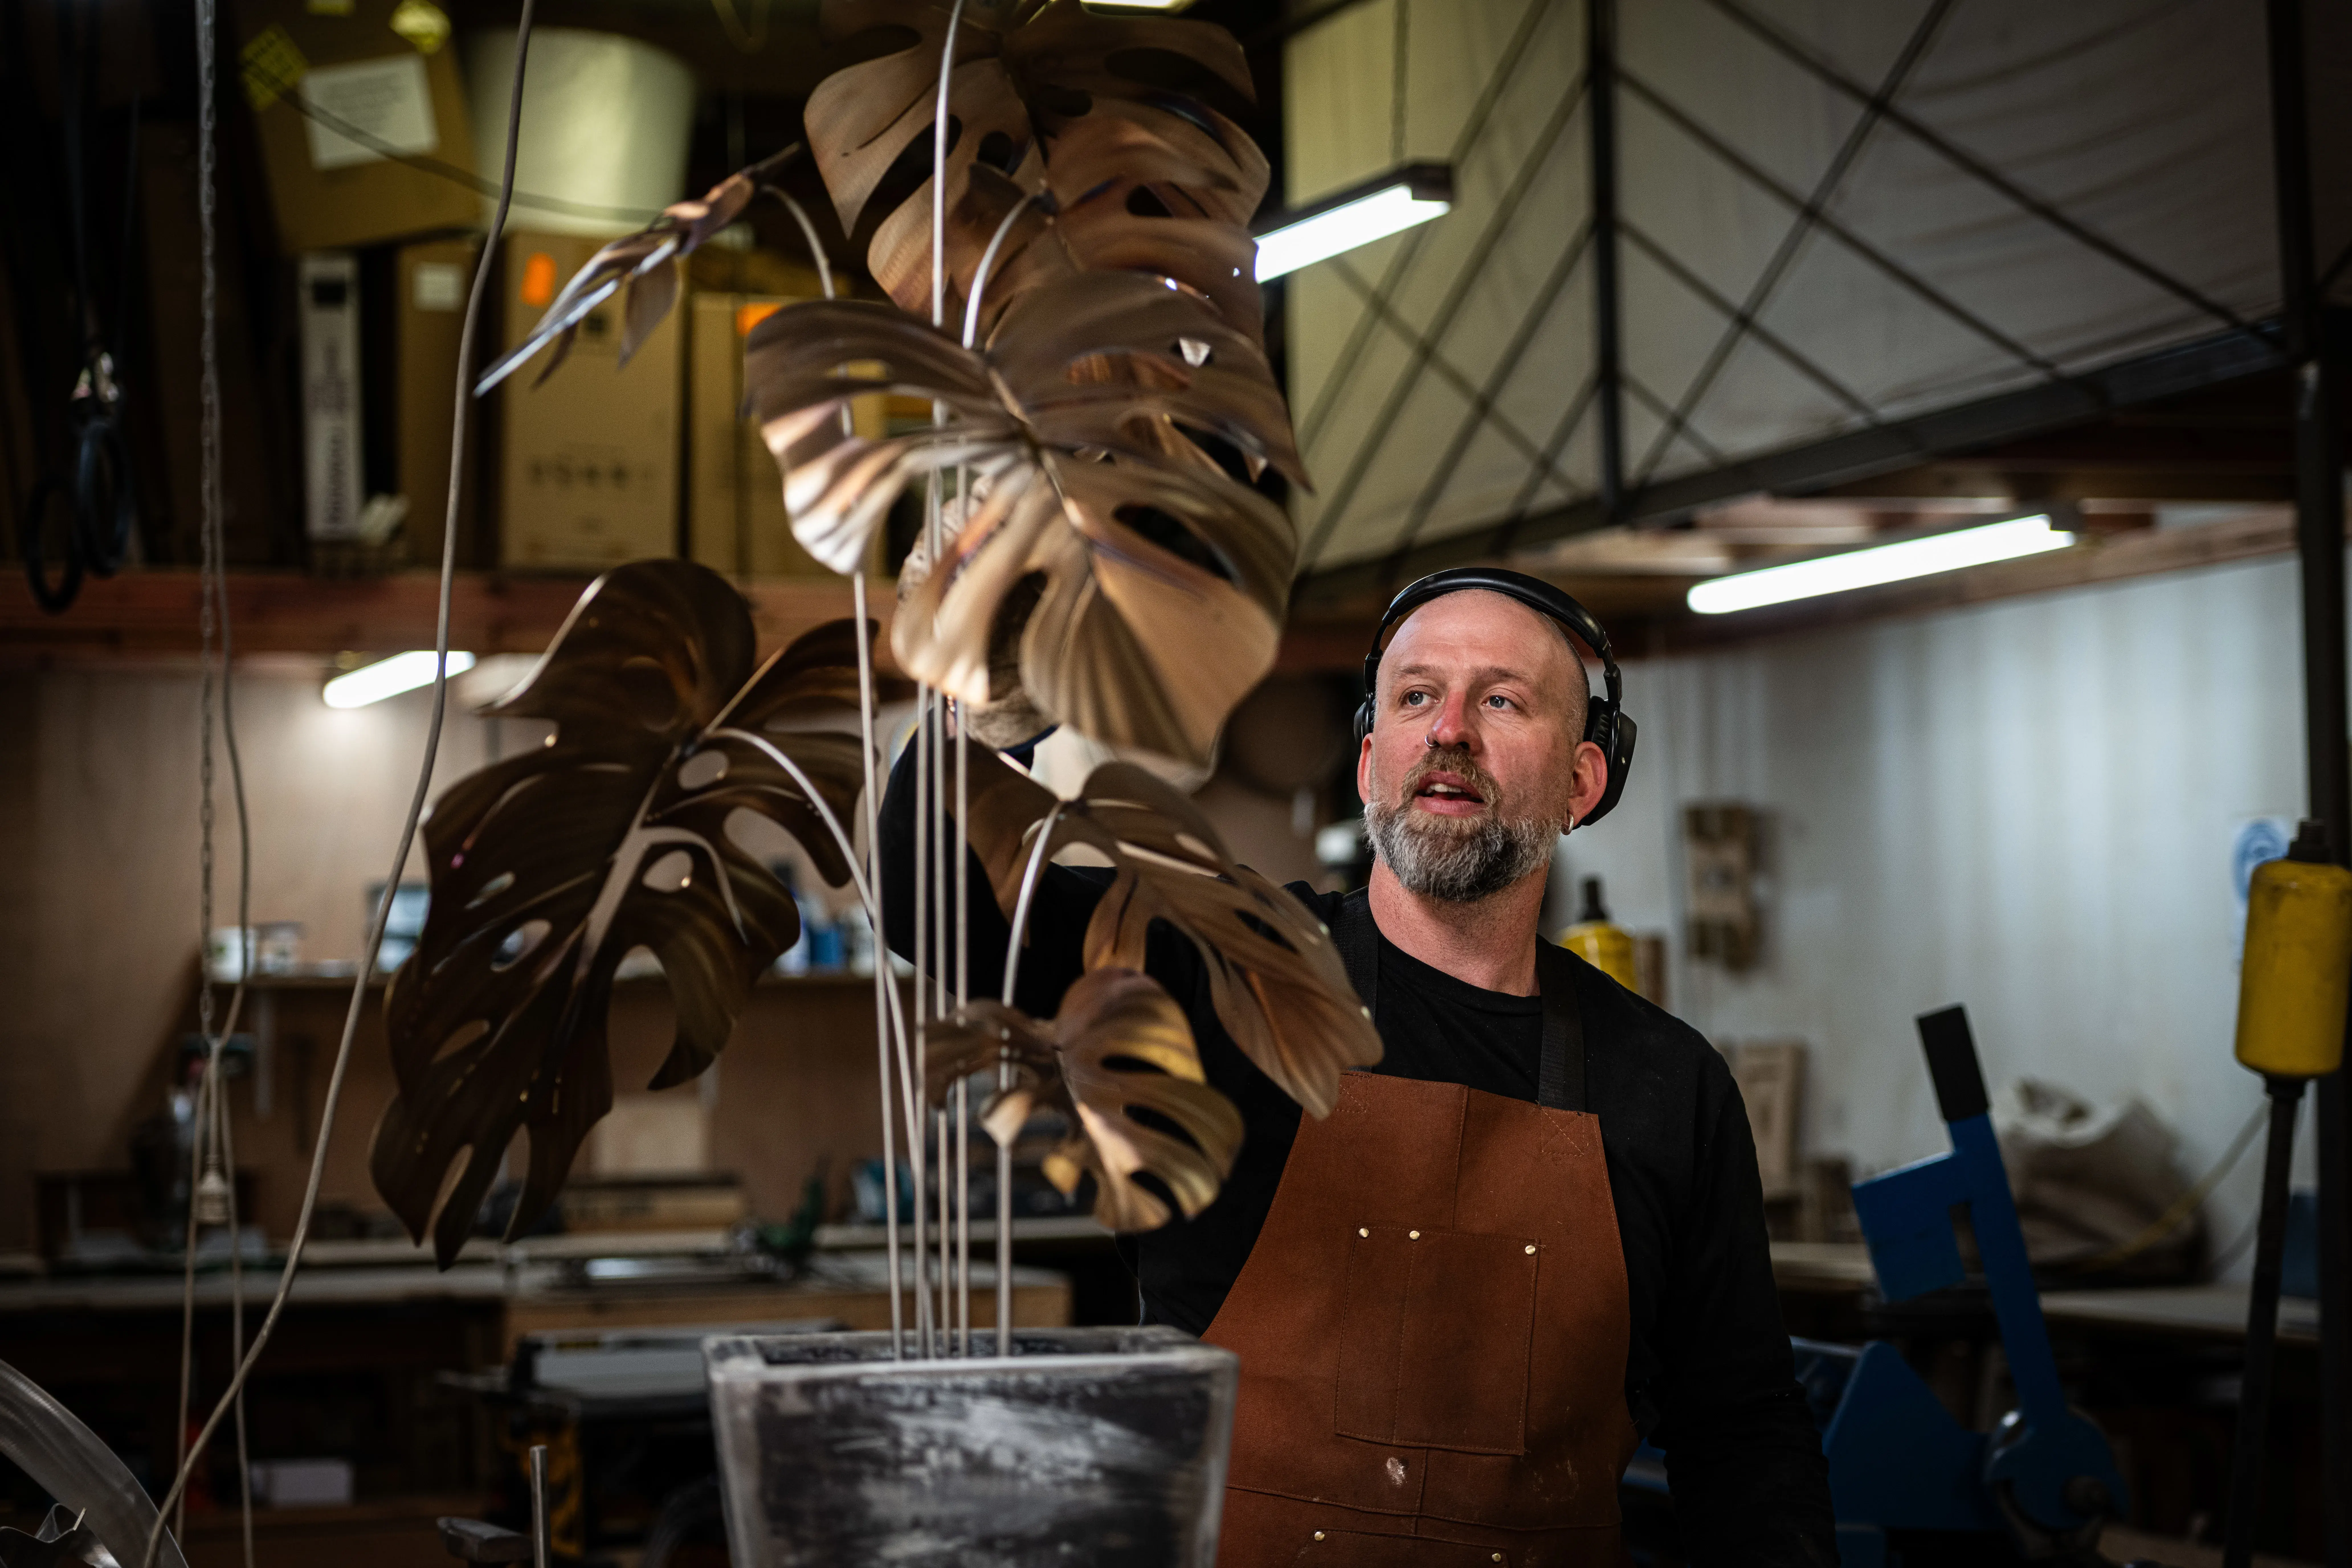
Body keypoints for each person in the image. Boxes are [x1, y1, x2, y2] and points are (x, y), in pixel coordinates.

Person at [881, 567, 1836, 1565]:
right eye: (1416, 697)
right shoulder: (1224, 975)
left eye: (1502, 700)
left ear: (1585, 781)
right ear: (1373, 757)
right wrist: (979, 712)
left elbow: (1745, 1440)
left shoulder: (1667, 1086)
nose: (1451, 730)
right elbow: (935, 896)